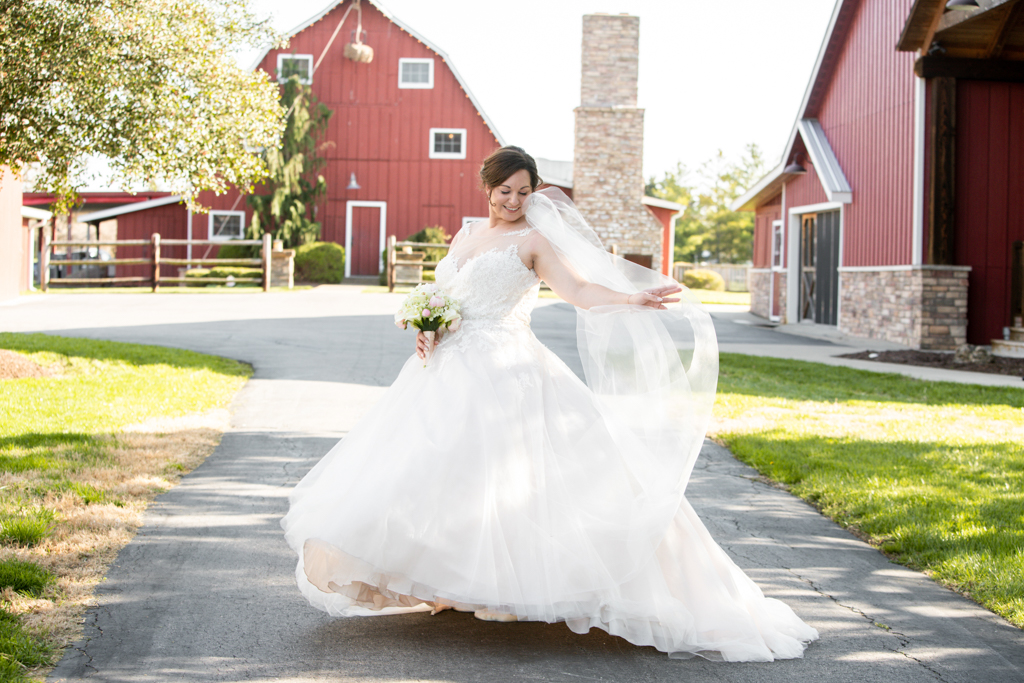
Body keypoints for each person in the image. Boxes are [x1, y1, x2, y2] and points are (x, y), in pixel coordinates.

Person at [281, 146, 819, 661]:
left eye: (523, 191)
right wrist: (428, 329)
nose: (513, 201)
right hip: (443, 372)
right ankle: (454, 582)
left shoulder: (535, 241)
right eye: (504, 191)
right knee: (437, 475)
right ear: (487, 187)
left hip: (508, 372)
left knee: (521, 478)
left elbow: (579, 291)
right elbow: (450, 297)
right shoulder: (465, 235)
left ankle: (520, 588)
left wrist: (629, 299)